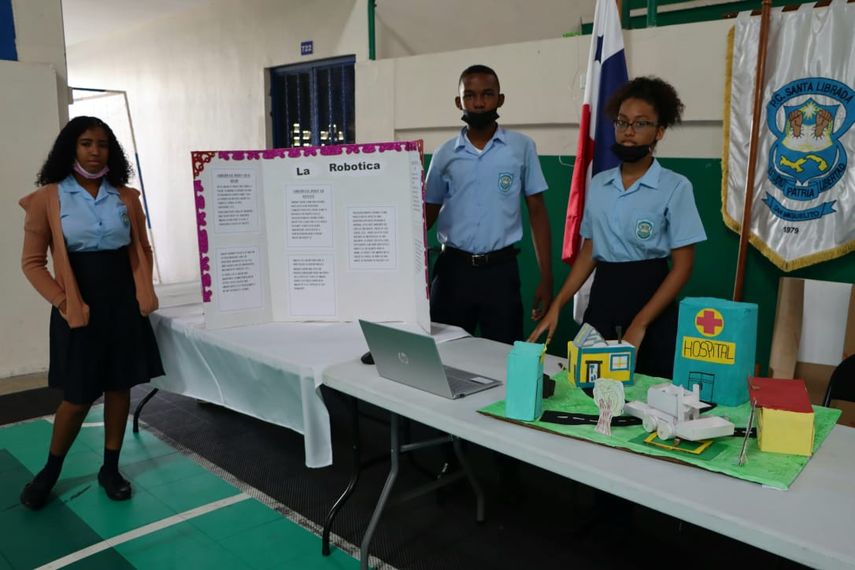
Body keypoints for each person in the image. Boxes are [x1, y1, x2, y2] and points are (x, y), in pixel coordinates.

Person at [18, 116, 164, 510]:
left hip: (122, 304)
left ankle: (111, 468)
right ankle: (50, 471)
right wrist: (64, 302)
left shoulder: (125, 197)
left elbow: (141, 249)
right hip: (78, 307)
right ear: (71, 148)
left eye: (101, 144)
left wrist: (144, 291)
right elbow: (32, 262)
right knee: (78, 397)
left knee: (119, 387)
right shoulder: (48, 198)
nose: (94, 152)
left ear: (110, 151)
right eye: (86, 143)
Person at [529, 77, 706, 379]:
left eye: (640, 124)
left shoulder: (675, 187)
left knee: (649, 390)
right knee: (590, 387)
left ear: (659, 131)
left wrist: (641, 324)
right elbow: (591, 250)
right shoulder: (599, 184)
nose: (628, 131)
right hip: (605, 297)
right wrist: (558, 304)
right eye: (622, 122)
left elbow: (683, 267)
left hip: (652, 298)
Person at [425, 64, 552, 345]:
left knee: (504, 353)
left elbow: (538, 212)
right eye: (469, 96)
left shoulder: (521, 147)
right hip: (452, 272)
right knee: (444, 353)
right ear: (459, 102)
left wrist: (546, 276)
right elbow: (426, 213)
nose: (479, 102)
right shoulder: (445, 154)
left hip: (500, 273)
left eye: (487, 94)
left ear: (500, 99)